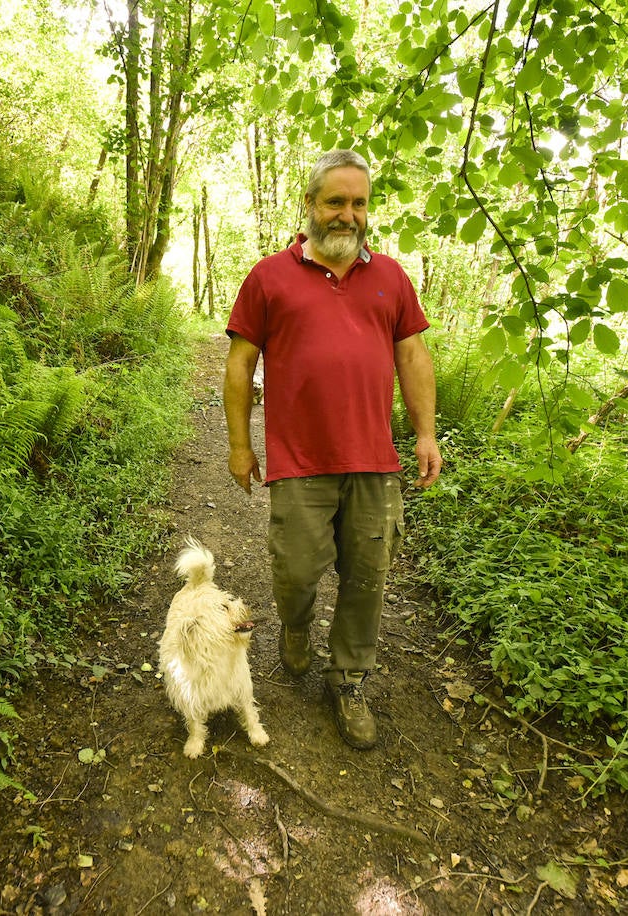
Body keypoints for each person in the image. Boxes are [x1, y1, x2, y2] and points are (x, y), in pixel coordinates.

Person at [223, 149, 442, 749]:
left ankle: (347, 680)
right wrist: (240, 445)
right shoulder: (269, 276)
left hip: (374, 462)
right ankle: (295, 627)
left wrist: (425, 433)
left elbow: (412, 356)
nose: (348, 214)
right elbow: (240, 365)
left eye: (358, 203)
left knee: (368, 578)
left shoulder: (391, 277)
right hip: (299, 462)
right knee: (295, 571)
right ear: (310, 205)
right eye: (336, 202)